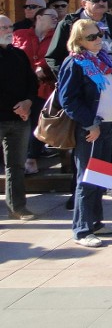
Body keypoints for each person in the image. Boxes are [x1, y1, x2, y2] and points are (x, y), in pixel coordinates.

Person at [45, 0, 112, 201]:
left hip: (109, 94)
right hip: (85, 99)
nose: (102, 3)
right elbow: (53, 57)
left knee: (110, 145)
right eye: (96, 0)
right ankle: (80, 197)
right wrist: (69, 80)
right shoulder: (70, 23)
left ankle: (109, 187)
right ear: (84, 3)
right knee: (84, 152)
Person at [57, 19, 112, 246]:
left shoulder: (102, 59)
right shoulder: (75, 62)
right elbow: (68, 99)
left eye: (99, 35)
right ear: (79, 41)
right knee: (86, 178)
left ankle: (96, 222)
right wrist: (89, 123)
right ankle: (82, 230)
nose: (98, 40)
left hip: (109, 124)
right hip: (91, 127)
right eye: (91, 37)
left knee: (101, 176)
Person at [13, 7, 59, 175]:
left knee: (39, 123)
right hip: (21, 88)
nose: (56, 18)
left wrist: (45, 69)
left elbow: (58, 58)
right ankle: (18, 159)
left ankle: (32, 158)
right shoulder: (20, 34)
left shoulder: (56, 37)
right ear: (39, 17)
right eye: (51, 16)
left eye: (57, 17)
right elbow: (13, 54)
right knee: (20, 123)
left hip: (44, 88)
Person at [0, 15, 38, 221]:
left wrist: (28, 103)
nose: (8, 31)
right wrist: (15, 107)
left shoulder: (19, 55)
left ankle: (18, 207)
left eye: (10, 27)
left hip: (20, 120)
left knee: (16, 165)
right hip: (3, 116)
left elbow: (32, 83)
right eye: (3, 27)